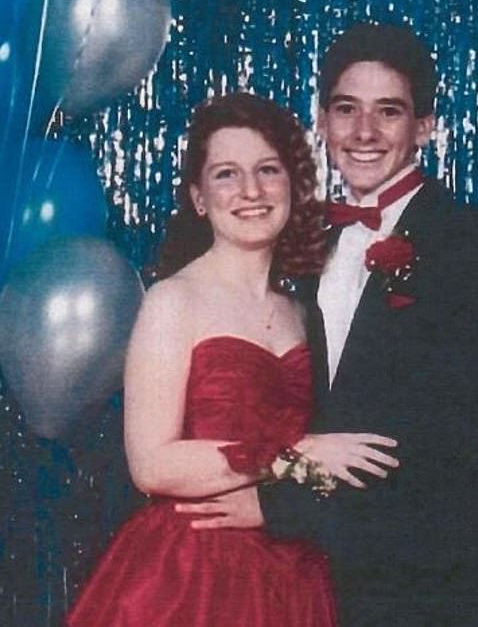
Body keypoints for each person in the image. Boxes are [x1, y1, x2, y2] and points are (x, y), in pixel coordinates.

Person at [178, 24, 478, 626]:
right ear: (323, 121)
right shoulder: (302, 239)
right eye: (347, 110)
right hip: (305, 576)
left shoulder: (473, 244)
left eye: (388, 112)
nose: (364, 133)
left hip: (418, 580)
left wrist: (274, 505)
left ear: (425, 127)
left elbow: (449, 436)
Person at [64, 92, 399, 627]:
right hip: (191, 575)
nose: (250, 191)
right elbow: (151, 466)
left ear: (293, 184)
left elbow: (344, 458)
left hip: (295, 571)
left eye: (267, 169)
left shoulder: (304, 310)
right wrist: (297, 455)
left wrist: (303, 471)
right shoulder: (172, 301)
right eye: (226, 174)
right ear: (198, 198)